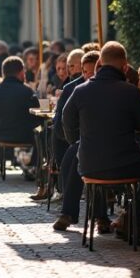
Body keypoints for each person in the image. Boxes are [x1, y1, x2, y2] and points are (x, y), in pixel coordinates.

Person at [64, 43, 140, 235]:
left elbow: (66, 117)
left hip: (89, 165)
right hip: (125, 163)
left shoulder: (80, 90)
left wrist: (75, 143)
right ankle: (132, 216)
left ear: (100, 64)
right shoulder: (130, 91)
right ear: (125, 67)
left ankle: (121, 217)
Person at [52, 49, 99, 230]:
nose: (89, 76)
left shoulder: (119, 87)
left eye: (94, 72)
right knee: (77, 152)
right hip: (84, 142)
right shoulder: (73, 89)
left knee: (81, 154)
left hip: (116, 146)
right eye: (86, 72)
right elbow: (62, 122)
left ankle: (96, 216)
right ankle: (69, 212)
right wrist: (75, 140)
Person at [0, 55, 43, 152]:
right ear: (20, 73)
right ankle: (37, 161)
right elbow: (37, 115)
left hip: (0, 134)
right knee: (43, 131)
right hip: (25, 136)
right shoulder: (27, 91)